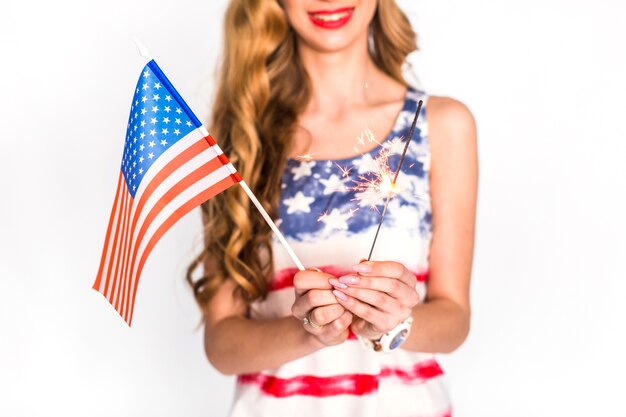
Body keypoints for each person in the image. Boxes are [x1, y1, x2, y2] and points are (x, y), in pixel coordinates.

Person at [187, 0, 477, 416]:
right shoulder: (237, 142)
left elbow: (454, 321)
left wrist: (395, 322)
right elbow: (222, 345)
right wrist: (308, 333)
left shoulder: (441, 125)